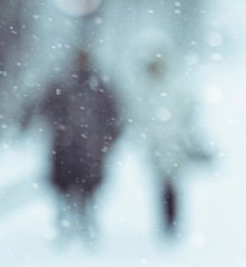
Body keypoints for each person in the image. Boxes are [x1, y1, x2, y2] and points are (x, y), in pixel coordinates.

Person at [20, 45, 123, 246]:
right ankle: (65, 221)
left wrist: (108, 139)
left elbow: (114, 116)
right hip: (64, 147)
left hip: (91, 150)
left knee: (89, 191)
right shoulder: (61, 83)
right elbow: (43, 107)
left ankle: (86, 222)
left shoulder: (100, 85)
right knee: (63, 188)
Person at [127, 43, 204, 240]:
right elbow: (136, 116)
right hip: (155, 146)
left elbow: (188, 111)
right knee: (160, 185)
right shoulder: (143, 88)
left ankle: (172, 223)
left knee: (172, 184)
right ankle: (166, 223)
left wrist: (186, 136)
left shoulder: (175, 84)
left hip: (174, 144)